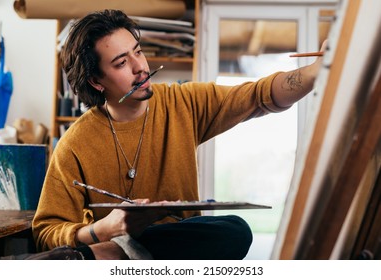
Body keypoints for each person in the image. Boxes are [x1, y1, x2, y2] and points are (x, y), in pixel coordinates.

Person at [31, 9, 325, 260]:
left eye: (138, 51)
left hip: (168, 248)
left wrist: (316, 71)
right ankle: (114, 249)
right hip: (130, 259)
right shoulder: (75, 143)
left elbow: (260, 95)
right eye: (121, 63)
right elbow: (46, 232)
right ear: (96, 81)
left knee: (235, 230)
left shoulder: (184, 103)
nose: (140, 67)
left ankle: (114, 252)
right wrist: (105, 229)